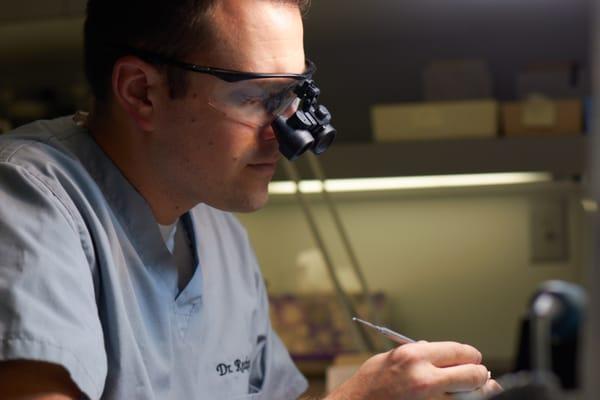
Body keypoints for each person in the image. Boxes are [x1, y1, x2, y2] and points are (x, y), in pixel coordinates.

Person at [0, 0, 502, 399]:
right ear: (141, 92)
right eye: (258, 97)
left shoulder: (218, 234)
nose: (283, 136)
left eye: (292, 96)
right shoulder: (27, 201)